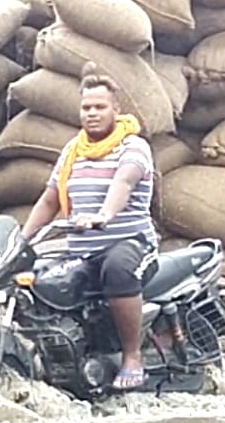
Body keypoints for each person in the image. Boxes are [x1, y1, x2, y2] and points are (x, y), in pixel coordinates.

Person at [19, 71, 158, 391]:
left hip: (131, 242)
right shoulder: (72, 151)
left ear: (116, 109)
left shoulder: (133, 147)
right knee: (42, 279)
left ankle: (132, 356)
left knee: (117, 269)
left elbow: (122, 182)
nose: (92, 113)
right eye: (86, 108)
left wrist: (104, 215)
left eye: (100, 107)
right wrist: (21, 241)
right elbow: (49, 199)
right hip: (82, 249)